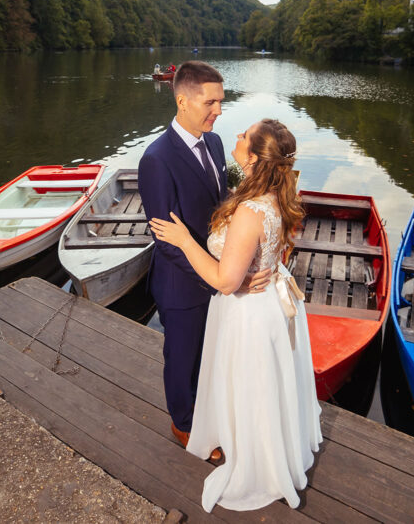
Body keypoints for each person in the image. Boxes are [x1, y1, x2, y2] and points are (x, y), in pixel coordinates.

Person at [149, 118, 322, 512]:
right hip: (271, 305)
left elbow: (225, 281)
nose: (236, 135)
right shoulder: (273, 194)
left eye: (244, 135)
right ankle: (257, 439)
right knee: (261, 385)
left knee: (248, 382)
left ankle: (256, 458)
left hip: (249, 314)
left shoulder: (249, 211)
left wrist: (184, 240)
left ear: (254, 155)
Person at [138, 61, 270, 461]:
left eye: (221, 101)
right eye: (211, 102)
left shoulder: (213, 143)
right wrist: (219, 279)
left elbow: (218, 203)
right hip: (182, 286)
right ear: (182, 100)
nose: (218, 110)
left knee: (208, 354)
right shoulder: (156, 160)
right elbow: (167, 243)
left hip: (217, 274)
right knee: (182, 357)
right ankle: (184, 423)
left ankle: (207, 412)